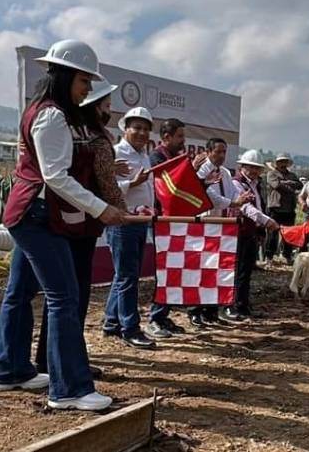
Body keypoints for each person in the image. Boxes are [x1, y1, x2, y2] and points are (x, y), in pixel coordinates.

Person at [0, 39, 136, 411]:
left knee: (20, 293)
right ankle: (69, 388)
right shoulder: (53, 115)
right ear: (67, 75)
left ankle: (9, 370)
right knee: (64, 297)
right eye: (84, 80)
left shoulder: (42, 110)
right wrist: (102, 209)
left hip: (29, 213)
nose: (88, 88)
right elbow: (56, 176)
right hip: (37, 216)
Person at [33, 77, 125, 377]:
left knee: (64, 295)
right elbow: (103, 182)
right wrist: (118, 211)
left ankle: (57, 358)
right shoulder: (89, 135)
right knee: (71, 295)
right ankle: (63, 363)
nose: (108, 111)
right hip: (78, 220)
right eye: (105, 105)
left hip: (75, 218)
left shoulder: (78, 130)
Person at [102, 106, 158, 349]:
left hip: (140, 220)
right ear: (126, 128)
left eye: (146, 129)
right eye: (137, 128)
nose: (142, 133)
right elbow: (105, 188)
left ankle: (112, 322)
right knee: (127, 276)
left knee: (125, 275)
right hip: (122, 221)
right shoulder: (115, 153)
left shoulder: (144, 156)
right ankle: (130, 328)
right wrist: (130, 183)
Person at [188, 138, 254, 327]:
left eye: (224, 152)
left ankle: (211, 311)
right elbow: (211, 197)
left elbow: (231, 194)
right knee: (201, 270)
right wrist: (233, 203)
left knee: (216, 271)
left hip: (221, 227)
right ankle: (195, 311)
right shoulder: (202, 171)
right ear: (208, 152)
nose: (221, 155)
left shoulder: (225, 173)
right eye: (217, 151)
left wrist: (240, 198)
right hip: (204, 225)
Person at [144, 118, 191, 339]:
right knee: (164, 272)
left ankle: (163, 315)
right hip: (162, 222)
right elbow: (169, 187)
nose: (183, 141)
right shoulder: (156, 157)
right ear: (166, 137)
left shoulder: (175, 157)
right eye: (179, 136)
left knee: (173, 272)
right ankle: (154, 318)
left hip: (176, 222)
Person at [225, 149, 281, 321]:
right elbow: (247, 209)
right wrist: (266, 221)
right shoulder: (236, 184)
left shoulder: (255, 185)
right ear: (242, 166)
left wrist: (260, 229)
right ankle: (231, 306)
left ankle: (242, 304)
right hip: (238, 232)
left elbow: (258, 206)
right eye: (250, 167)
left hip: (249, 232)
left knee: (246, 270)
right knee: (237, 271)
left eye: (257, 168)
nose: (254, 171)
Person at [264, 153, 303, 263]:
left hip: (289, 209)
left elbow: (300, 185)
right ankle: (269, 257)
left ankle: (287, 255)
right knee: (272, 234)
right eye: (281, 162)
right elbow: (276, 185)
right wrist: (290, 185)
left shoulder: (292, 175)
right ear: (277, 163)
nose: (283, 164)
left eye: (285, 162)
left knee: (289, 233)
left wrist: (285, 182)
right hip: (275, 208)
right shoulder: (271, 174)